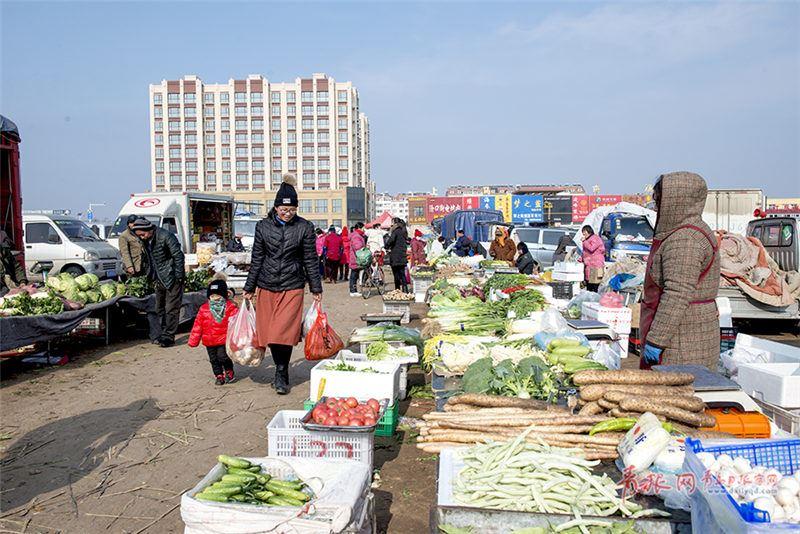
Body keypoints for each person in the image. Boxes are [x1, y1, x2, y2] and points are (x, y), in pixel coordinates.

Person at [244, 175, 322, 394]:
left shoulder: (304, 227)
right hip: (266, 284)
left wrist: (316, 288)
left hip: (292, 285)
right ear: (276, 207)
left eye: (292, 210)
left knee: (284, 332)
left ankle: (281, 372)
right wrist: (249, 287)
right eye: (283, 210)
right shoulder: (262, 227)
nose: (287, 214)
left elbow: (310, 259)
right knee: (269, 333)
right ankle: (280, 368)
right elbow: (257, 258)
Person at [640, 172, 720, 371]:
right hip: (685, 328)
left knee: (677, 395)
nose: (657, 207)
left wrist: (657, 340)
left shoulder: (685, 239)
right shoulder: (687, 231)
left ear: (676, 201)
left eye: (660, 201)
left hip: (683, 337)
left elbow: (677, 294)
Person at [132, 218, 185, 347]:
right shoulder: (146, 240)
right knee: (159, 308)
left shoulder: (166, 236)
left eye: (143, 234)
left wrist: (178, 276)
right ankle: (162, 333)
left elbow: (178, 256)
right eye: (139, 235)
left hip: (171, 277)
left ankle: (168, 336)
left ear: (149, 230)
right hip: (158, 277)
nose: (142, 237)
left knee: (171, 308)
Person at [188, 279, 238, 386]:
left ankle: (229, 370)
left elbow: (236, 321)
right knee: (213, 360)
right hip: (209, 340)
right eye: (212, 296)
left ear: (224, 295)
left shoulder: (230, 307)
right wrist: (193, 340)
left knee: (223, 356)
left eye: (218, 296)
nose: (215, 298)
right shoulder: (204, 309)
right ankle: (219, 375)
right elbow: (197, 326)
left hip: (223, 339)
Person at [385, 218, 409, 293]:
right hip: (402, 256)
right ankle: (405, 291)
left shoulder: (396, 231)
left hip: (396, 256)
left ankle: (397, 290)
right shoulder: (403, 231)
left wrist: (386, 246)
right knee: (402, 274)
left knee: (396, 275)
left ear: (395, 223)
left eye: (392, 222)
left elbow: (391, 240)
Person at [0, 232, 26, 297]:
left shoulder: (5, 252)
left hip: (10, 287)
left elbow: (16, 267)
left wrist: (22, 281)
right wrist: (7, 291)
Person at [580, 225, 605, 292]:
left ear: (588, 231)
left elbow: (591, 248)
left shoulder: (595, 238)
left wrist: (584, 241)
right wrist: (581, 259)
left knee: (594, 284)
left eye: (584, 233)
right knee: (589, 284)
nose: (583, 235)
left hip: (595, 264)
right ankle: (589, 298)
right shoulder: (588, 239)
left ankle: (594, 298)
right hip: (589, 264)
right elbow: (586, 252)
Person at [348, 222, 367, 297]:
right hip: (357, 257)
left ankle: (353, 290)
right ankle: (353, 291)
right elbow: (358, 247)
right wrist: (364, 249)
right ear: (360, 228)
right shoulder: (356, 236)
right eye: (363, 228)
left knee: (354, 274)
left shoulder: (357, 235)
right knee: (354, 275)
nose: (364, 229)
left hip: (356, 257)